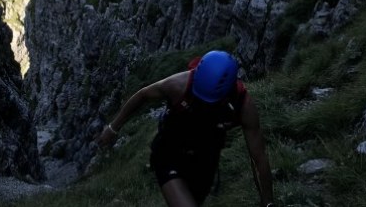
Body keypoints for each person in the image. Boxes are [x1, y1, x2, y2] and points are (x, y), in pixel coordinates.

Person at [96, 50, 275, 207]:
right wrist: (113, 128)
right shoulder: (179, 85)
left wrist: (267, 203)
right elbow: (143, 95)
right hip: (169, 154)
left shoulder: (243, 107)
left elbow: (258, 158)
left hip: (205, 163)